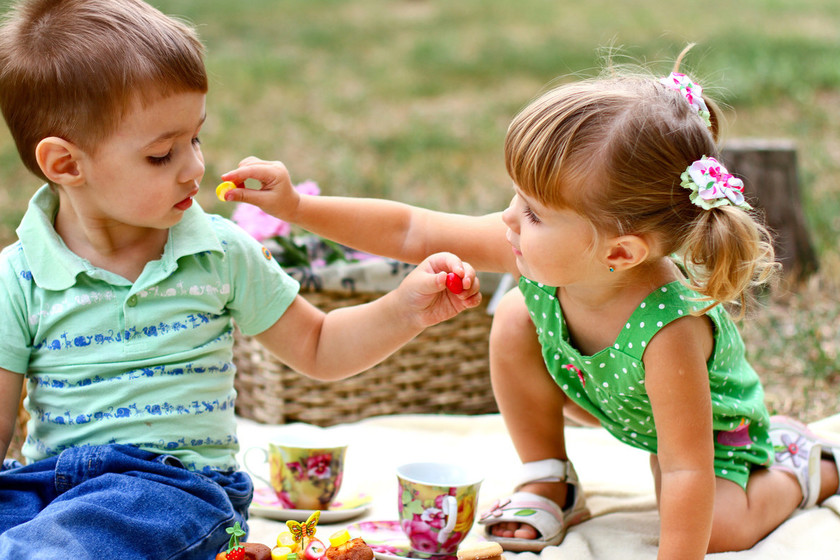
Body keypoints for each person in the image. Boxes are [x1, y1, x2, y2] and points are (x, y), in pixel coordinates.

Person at [218, 50, 840, 558]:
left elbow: (684, 471)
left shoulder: (670, 327)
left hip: (709, 435)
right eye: (515, 199)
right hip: (604, 395)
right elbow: (412, 230)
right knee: (515, 313)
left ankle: (801, 466)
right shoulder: (540, 251)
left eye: (534, 213)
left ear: (620, 253)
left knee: (716, 529)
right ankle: (549, 476)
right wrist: (298, 208)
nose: (510, 221)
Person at [0, 1, 482, 558]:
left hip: (177, 490)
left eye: (194, 139)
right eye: (162, 155)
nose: (195, 168)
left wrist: (405, 309)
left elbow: (320, 347)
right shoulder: (19, 276)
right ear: (65, 165)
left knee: (72, 540)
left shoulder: (219, 253)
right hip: (50, 488)